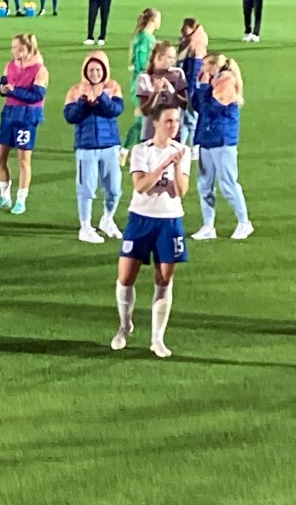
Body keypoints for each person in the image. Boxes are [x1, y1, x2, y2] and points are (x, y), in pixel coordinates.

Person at [111, 103, 190, 359]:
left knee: (164, 279)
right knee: (125, 277)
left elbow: (180, 191)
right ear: (155, 123)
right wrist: (164, 164)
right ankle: (124, 326)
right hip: (140, 219)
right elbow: (141, 186)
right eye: (168, 121)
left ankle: (157, 339)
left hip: (169, 221)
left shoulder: (183, 151)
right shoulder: (141, 150)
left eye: (176, 121)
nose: (173, 126)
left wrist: (176, 166)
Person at [190, 55, 253, 242]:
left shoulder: (226, 83)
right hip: (207, 138)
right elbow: (196, 106)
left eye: (204, 65)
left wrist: (203, 86)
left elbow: (210, 109)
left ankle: (244, 222)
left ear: (213, 66)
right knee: (204, 184)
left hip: (222, 139)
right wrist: (200, 86)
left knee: (228, 184)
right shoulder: (213, 82)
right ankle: (208, 226)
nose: (201, 68)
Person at [63, 52, 124, 244]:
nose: (95, 73)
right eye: (91, 70)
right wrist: (83, 102)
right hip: (86, 145)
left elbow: (115, 110)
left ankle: (108, 219)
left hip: (109, 145)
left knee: (114, 188)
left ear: (104, 70)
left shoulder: (112, 87)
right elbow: (70, 117)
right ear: (85, 71)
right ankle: (85, 227)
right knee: (86, 189)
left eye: (98, 69)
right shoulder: (75, 90)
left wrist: (101, 97)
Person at [0, 33, 48, 215]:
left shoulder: (39, 70)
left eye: (15, 48)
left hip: (26, 117)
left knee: (23, 160)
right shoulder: (10, 65)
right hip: (9, 115)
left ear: (25, 49)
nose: (12, 51)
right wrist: (3, 89)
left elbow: (37, 95)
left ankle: (21, 199)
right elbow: (3, 84)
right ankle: (4, 197)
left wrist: (13, 91)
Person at [121, 8, 161, 165]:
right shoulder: (144, 39)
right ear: (153, 20)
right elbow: (141, 64)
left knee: (146, 120)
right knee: (141, 119)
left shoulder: (147, 37)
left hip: (145, 82)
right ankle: (124, 151)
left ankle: (138, 154)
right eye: (158, 18)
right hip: (141, 84)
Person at [136, 41, 189, 143]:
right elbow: (145, 111)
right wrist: (156, 93)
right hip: (151, 134)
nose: (172, 61)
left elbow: (185, 105)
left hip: (172, 134)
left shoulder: (177, 74)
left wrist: (172, 92)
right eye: (169, 57)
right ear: (159, 57)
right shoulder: (144, 78)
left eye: (173, 58)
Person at [175, 17, 208, 150]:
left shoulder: (196, 45)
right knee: (184, 117)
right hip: (184, 85)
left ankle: (195, 147)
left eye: (185, 27)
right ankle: (181, 146)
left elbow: (195, 70)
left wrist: (190, 88)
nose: (182, 30)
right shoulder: (188, 42)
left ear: (192, 28)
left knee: (191, 116)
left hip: (190, 85)